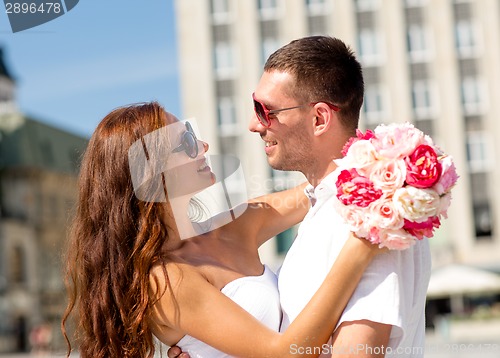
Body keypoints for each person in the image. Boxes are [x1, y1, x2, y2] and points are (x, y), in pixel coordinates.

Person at [61, 101, 386, 358]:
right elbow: (286, 352)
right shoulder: (165, 281)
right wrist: (360, 250)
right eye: (185, 141)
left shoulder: (235, 225)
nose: (202, 145)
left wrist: (401, 162)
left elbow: (327, 187)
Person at [248, 36, 432, 357]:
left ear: (319, 118)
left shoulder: (375, 212)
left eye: (266, 110)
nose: (255, 125)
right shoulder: (328, 203)